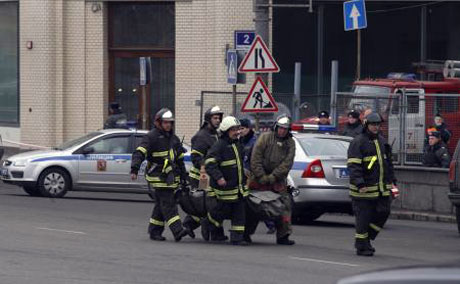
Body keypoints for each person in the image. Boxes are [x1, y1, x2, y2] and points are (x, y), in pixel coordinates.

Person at [130, 108, 193, 242]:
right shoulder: (151, 137)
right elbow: (139, 152)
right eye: (165, 122)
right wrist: (134, 168)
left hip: (170, 176)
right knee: (169, 204)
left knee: (160, 205)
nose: (168, 125)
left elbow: (179, 160)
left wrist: (183, 177)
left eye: (170, 123)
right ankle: (178, 230)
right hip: (158, 176)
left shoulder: (174, 139)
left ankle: (154, 231)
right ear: (158, 122)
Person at [347, 112, 397, 256]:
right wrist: (360, 184)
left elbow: (388, 163)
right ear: (366, 125)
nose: (375, 127)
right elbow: (354, 166)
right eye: (373, 124)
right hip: (363, 189)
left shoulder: (382, 141)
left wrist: (393, 180)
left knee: (384, 212)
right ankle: (362, 246)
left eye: (377, 125)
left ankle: (367, 238)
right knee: (364, 218)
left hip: (381, 188)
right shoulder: (358, 142)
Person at [247, 114, 296, 245]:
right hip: (258, 178)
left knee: (284, 206)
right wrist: (261, 176)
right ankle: (246, 234)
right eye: (280, 128)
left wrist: (273, 177)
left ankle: (283, 236)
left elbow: (287, 164)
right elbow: (255, 158)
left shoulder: (290, 143)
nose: (282, 131)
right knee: (253, 206)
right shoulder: (265, 138)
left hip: (277, 180)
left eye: (285, 129)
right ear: (276, 127)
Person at [203, 116, 249, 245]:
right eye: (234, 129)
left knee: (239, 213)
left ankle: (237, 238)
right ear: (226, 131)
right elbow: (209, 163)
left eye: (238, 129)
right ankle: (207, 223)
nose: (237, 132)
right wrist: (219, 177)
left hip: (238, 187)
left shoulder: (238, 145)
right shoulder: (219, 145)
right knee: (220, 212)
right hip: (225, 188)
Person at [183, 106, 224, 239]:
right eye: (215, 118)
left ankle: (192, 225)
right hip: (202, 176)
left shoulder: (216, 134)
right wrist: (207, 171)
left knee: (209, 205)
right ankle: (211, 232)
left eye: (219, 118)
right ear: (208, 120)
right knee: (206, 206)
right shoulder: (201, 136)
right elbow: (196, 159)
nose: (218, 121)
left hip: (211, 175)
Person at [239, 118, 276, 234]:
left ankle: (271, 223)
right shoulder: (241, 141)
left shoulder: (254, 142)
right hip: (243, 175)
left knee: (257, 201)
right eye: (239, 128)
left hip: (253, 176)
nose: (240, 131)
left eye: (243, 128)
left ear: (249, 128)